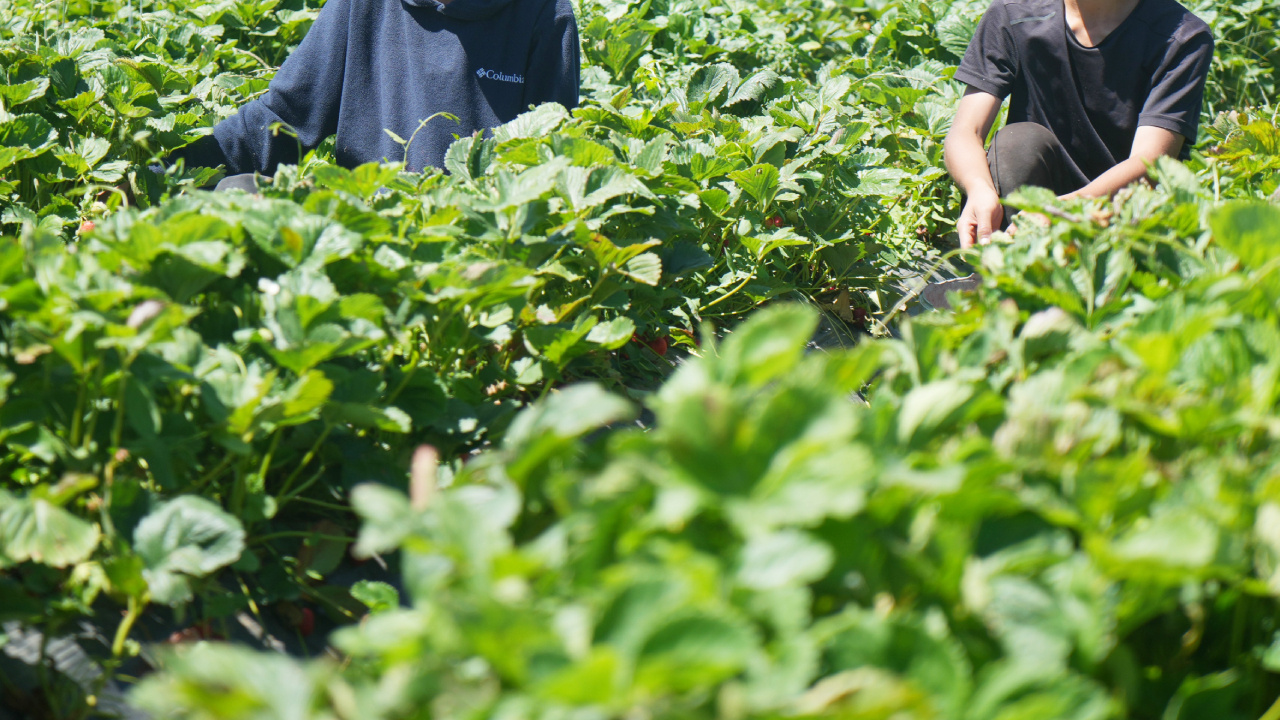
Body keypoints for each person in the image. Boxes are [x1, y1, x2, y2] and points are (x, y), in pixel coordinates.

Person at [167, 0, 580, 189]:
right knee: (238, 195)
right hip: (366, 230)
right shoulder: (364, 5)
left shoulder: (545, 13)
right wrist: (158, 176)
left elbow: (547, 162)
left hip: (473, 246)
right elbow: (283, 117)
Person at [943, 0, 1214, 249]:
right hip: (1027, 199)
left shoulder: (1180, 37)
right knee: (1018, 143)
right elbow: (966, 132)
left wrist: (1067, 209)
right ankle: (1002, 271)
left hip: (1120, 214)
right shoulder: (1013, 14)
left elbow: (1150, 164)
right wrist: (979, 189)